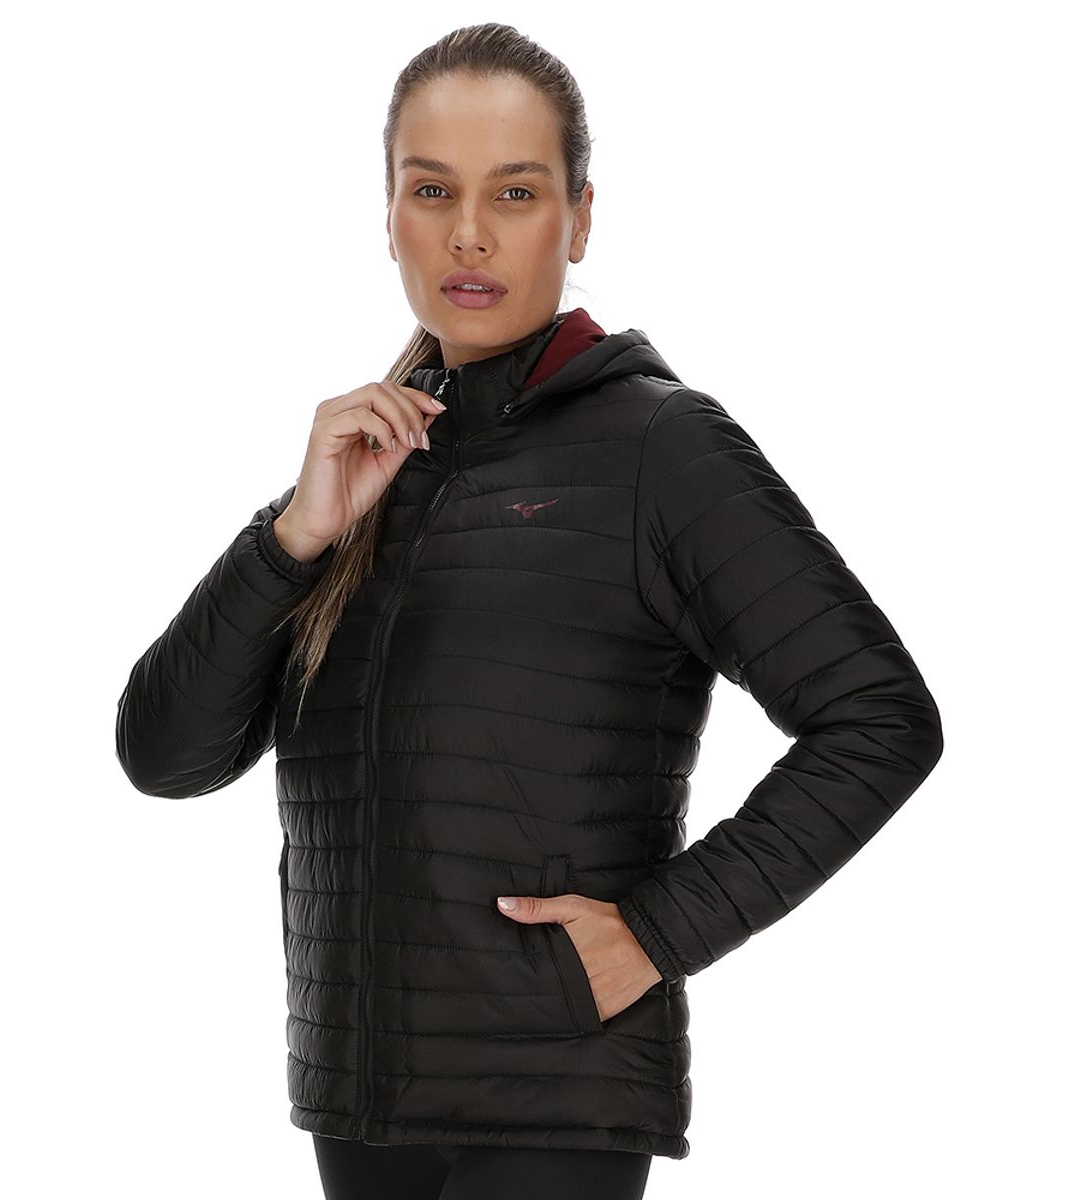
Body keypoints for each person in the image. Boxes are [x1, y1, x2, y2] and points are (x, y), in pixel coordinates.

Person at [115, 22, 944, 1200]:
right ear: (388, 215)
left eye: (515, 192)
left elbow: (880, 718)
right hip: (361, 1109)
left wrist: (654, 936)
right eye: (432, 190)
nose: (469, 233)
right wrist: (294, 535)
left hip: (556, 1103)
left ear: (580, 218)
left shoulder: (662, 447)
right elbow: (164, 755)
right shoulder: (363, 473)